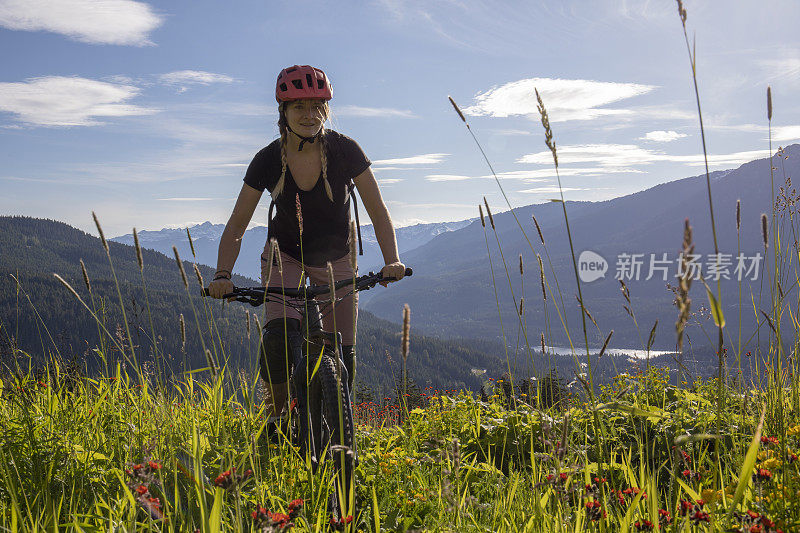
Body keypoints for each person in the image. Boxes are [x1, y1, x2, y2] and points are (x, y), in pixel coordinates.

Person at [207, 64, 406, 420]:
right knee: (279, 340)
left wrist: (392, 259)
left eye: (317, 106)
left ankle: (338, 423)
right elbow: (237, 223)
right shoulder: (267, 159)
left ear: (327, 109)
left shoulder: (346, 151)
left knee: (343, 352)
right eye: (299, 106)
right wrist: (223, 274)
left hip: (336, 258)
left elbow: (378, 210)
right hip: (285, 257)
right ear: (282, 112)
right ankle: (278, 420)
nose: (309, 115)